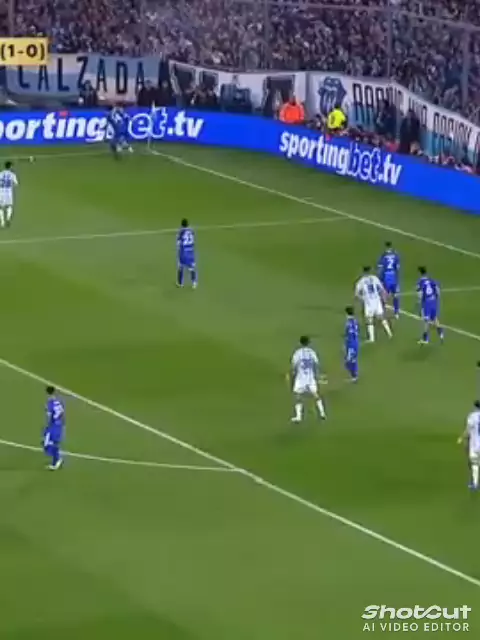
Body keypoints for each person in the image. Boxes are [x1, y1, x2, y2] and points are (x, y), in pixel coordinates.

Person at [288, 336, 327, 422]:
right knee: (316, 395)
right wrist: (317, 376)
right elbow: (316, 364)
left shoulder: (297, 353)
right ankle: (322, 413)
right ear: (308, 343)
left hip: (300, 378)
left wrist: (292, 376)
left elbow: (293, 366)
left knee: (298, 396)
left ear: (300, 343)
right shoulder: (312, 352)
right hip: (310, 378)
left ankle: (298, 417)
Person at [355, 266, 392, 343]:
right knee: (382, 317)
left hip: (368, 303)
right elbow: (382, 289)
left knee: (369, 320)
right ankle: (389, 333)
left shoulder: (361, 281)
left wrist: (362, 298)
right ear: (369, 271)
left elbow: (357, 294)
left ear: (363, 272)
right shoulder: (375, 278)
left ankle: (372, 338)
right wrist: (385, 297)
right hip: (377, 301)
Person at [416, 267, 444, 344]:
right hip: (433, 301)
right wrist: (436, 298)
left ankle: (425, 339)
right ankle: (441, 334)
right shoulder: (431, 280)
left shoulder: (420, 282)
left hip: (427, 302)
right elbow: (438, 290)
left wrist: (419, 304)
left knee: (426, 321)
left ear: (420, 273)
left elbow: (420, 294)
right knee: (434, 318)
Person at [458, 401, 480, 490]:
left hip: (475, 445)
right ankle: (474, 482)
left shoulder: (472, 416)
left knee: (474, 464)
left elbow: (468, 429)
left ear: (475, 407)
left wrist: (461, 438)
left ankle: (475, 483)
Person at [43, 386, 65, 471]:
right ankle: (56, 462)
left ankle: (57, 459)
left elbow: (49, 416)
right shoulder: (58, 402)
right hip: (59, 425)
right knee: (53, 443)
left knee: (47, 445)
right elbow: (62, 412)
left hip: (53, 426)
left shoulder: (50, 403)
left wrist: (48, 427)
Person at [377, 241, 401, 318]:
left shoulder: (383, 255)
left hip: (386, 277)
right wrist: (397, 280)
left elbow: (380, 269)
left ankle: (382, 312)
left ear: (385, 246)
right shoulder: (395, 255)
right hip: (393, 277)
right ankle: (396, 313)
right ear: (391, 246)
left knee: (384, 296)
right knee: (396, 295)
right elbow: (397, 268)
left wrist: (380, 279)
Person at [177, 218, 197, 288]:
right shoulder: (191, 231)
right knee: (192, 268)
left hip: (184, 252)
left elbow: (178, 243)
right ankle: (194, 283)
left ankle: (180, 283)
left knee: (180, 266)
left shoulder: (181, 231)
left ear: (181, 225)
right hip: (191, 252)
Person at [0, 160, 18, 228]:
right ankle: (8, 219)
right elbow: (16, 184)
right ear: (10, 167)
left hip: (1, 192)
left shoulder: (1, 173)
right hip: (8, 193)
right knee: (9, 206)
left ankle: (2, 222)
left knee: (0, 207)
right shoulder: (12, 174)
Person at [344, 306, 360, 382]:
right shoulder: (355, 321)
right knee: (352, 360)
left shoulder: (348, 323)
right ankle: (354, 375)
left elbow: (348, 335)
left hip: (351, 344)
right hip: (356, 342)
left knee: (348, 362)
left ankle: (354, 376)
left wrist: (346, 344)